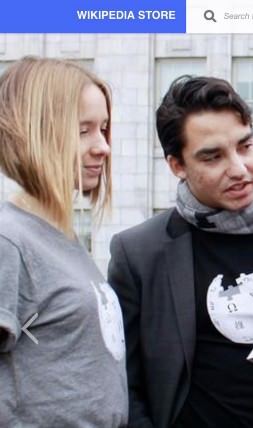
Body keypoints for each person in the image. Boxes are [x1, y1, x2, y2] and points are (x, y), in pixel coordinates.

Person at [107, 75, 253, 428]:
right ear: (177, 166)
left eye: (245, 146)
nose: (239, 169)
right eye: (213, 157)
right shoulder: (139, 254)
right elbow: (125, 384)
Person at [0, 57, 126, 426]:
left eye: (103, 129)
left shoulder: (63, 240)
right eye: (83, 130)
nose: (102, 146)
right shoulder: (9, 240)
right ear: (34, 130)